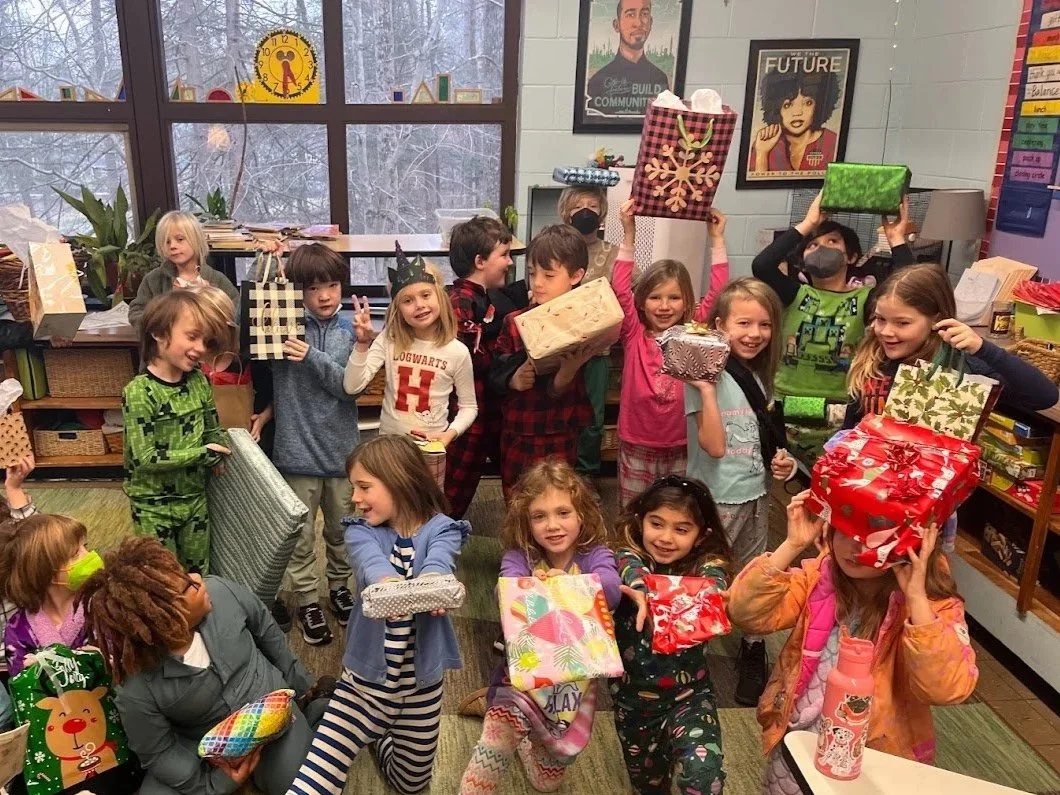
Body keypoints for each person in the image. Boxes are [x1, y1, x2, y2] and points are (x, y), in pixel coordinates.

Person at [727, 491, 979, 793]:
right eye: (844, 532)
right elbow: (745, 613)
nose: (853, 547)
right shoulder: (820, 577)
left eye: (872, 536)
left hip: (876, 759)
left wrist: (916, 600)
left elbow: (946, 689)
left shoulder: (933, 606)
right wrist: (792, 545)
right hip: (797, 745)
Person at [288, 435, 469, 795]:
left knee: (411, 785)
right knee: (313, 780)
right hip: (363, 686)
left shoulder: (443, 528)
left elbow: (439, 561)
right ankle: (367, 726)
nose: (354, 497)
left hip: (421, 690)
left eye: (364, 487)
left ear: (399, 480)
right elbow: (373, 568)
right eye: (354, 487)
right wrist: (406, 590)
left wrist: (435, 581)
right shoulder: (360, 530)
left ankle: (380, 738)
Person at [80, 536, 330, 795]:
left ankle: (317, 710)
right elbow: (159, 753)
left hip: (272, 714)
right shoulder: (136, 684)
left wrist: (303, 687)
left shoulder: (221, 592)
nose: (198, 579)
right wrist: (214, 784)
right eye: (187, 587)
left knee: (307, 787)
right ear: (164, 619)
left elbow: (268, 633)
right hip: (204, 748)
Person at [459, 459, 619, 794]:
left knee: (547, 781)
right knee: (490, 753)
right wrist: (536, 587)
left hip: (572, 690)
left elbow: (612, 588)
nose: (553, 525)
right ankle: (501, 724)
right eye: (539, 516)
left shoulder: (594, 555)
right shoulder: (521, 557)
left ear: (582, 515)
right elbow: (505, 592)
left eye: (563, 512)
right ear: (526, 522)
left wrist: (568, 586)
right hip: (519, 682)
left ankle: (528, 745)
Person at [685, 277, 796, 706]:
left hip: (755, 495)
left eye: (764, 325)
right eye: (743, 323)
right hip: (714, 499)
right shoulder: (701, 378)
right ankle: (691, 652)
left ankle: (752, 644)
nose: (753, 334)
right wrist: (708, 392)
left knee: (756, 574)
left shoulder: (761, 377)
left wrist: (781, 464)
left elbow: (765, 438)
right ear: (718, 326)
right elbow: (713, 445)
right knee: (706, 579)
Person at [250, 244, 360, 647]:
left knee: (342, 530)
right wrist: (269, 262)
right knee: (298, 538)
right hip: (295, 450)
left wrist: (310, 356)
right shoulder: (281, 326)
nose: (326, 295)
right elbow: (254, 302)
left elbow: (346, 388)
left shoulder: (350, 332)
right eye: (313, 289)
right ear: (297, 292)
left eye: (332, 285)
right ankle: (309, 600)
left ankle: (340, 588)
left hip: (341, 453)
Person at [752, 193, 915, 465]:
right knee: (786, 474)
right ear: (802, 259)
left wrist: (896, 238)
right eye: (812, 245)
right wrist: (808, 222)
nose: (821, 248)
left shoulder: (865, 300)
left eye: (832, 242)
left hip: (841, 406)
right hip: (786, 401)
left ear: (851, 256)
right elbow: (762, 265)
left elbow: (909, 281)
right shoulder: (794, 294)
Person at [610, 476, 732, 794]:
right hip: (634, 702)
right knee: (649, 786)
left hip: (691, 696)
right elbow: (628, 565)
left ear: (701, 535)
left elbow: (716, 580)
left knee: (705, 777)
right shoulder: (626, 559)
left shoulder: (706, 566)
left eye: (681, 529)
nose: (666, 538)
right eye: (657, 523)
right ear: (641, 522)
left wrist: (718, 596)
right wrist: (639, 591)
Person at [611, 199, 729, 505]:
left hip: (682, 442)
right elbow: (621, 289)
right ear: (642, 301)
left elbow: (718, 293)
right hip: (637, 441)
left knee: (678, 508)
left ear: (687, 300)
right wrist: (628, 234)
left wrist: (717, 241)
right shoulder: (634, 332)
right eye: (655, 297)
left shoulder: (693, 332)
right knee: (635, 509)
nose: (664, 306)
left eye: (674, 298)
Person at [845, 263, 1059, 427]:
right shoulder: (871, 358)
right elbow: (850, 427)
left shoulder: (962, 365)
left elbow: (1044, 396)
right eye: (880, 319)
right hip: (868, 478)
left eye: (902, 323)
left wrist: (984, 349)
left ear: (936, 319)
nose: (886, 331)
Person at [343, 250, 477, 489]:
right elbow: (352, 386)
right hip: (390, 447)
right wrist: (362, 344)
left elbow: (469, 407)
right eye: (408, 300)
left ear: (440, 296)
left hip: (429, 451)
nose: (419, 305)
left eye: (426, 295)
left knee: (425, 514)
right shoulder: (389, 339)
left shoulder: (457, 351)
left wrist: (449, 434)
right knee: (388, 511)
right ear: (398, 307)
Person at [122, 290, 231, 573]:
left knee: (198, 575)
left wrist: (217, 449)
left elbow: (211, 426)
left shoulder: (199, 382)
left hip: (195, 501)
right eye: (192, 336)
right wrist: (203, 454)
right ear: (158, 333)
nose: (200, 348)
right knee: (162, 579)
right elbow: (145, 457)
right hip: (152, 507)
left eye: (205, 341)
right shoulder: (138, 392)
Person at [488, 225, 598, 499]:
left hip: (559, 430)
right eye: (533, 273)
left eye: (549, 275)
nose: (537, 282)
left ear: (576, 276)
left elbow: (559, 391)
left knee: (557, 497)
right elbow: (494, 372)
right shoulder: (514, 322)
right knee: (517, 499)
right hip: (520, 428)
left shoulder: (583, 323)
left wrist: (567, 371)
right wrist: (513, 379)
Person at [444, 216, 527, 518]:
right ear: (480, 261)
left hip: (491, 411)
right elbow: (465, 359)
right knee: (452, 493)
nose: (509, 262)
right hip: (469, 417)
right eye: (503, 255)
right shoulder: (460, 302)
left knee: (515, 482)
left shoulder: (484, 298)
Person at [557, 185, 617, 480]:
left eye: (593, 206)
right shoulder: (555, 250)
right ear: (566, 211)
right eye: (579, 205)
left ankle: (587, 476)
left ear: (602, 213)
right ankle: (558, 474)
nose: (586, 212)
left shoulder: (611, 254)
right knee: (557, 412)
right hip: (559, 347)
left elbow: (634, 290)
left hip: (596, 350)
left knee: (592, 418)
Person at [0, 514, 98, 674]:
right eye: (75, 554)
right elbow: (22, 689)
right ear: (45, 572)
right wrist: (34, 676)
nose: (88, 555)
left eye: (85, 546)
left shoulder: (104, 606)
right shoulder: (18, 630)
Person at [128, 211, 239, 331]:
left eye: (180, 239)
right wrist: (168, 307)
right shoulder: (153, 280)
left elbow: (237, 315)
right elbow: (136, 314)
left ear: (196, 240)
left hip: (209, 347)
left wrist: (208, 299)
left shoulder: (217, 279)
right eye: (167, 241)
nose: (172, 246)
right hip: (168, 347)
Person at [749, 67, 841, 175]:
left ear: (819, 105)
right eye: (787, 105)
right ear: (776, 108)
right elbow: (757, 188)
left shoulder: (832, 143)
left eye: (808, 103)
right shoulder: (764, 143)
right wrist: (762, 153)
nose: (797, 113)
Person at [585, 0, 669, 118]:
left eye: (644, 14)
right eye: (630, 14)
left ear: (651, 22)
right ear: (616, 25)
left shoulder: (659, 78)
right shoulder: (597, 81)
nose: (638, 23)